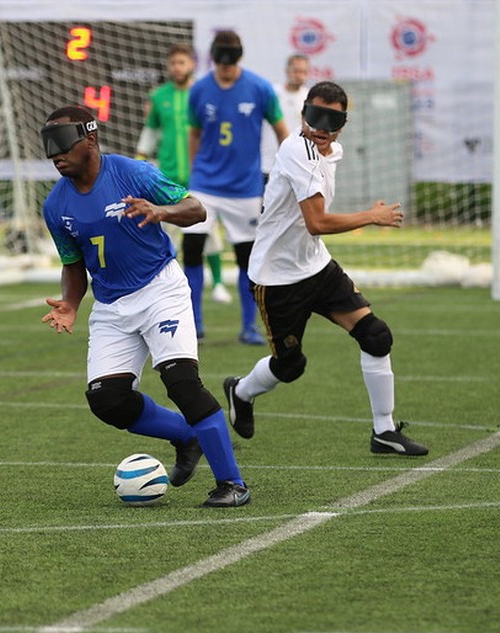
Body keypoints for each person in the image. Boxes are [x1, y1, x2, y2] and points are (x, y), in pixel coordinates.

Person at [39, 104, 251, 507]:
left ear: (90, 137)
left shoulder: (132, 173)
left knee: (182, 384)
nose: (55, 154)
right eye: (48, 145)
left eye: (62, 142)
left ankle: (232, 484)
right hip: (111, 307)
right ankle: (187, 436)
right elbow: (73, 263)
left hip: (160, 291)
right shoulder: (55, 206)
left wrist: (162, 211)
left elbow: (197, 209)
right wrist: (70, 303)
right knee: (107, 401)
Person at [222, 81, 429, 456]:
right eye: (314, 116)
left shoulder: (331, 151)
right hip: (278, 278)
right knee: (290, 366)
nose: (320, 127)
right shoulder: (296, 149)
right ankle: (241, 391)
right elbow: (316, 222)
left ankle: (383, 431)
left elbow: (312, 230)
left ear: (343, 124)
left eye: (331, 120)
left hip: (316, 267)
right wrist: (371, 215)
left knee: (376, 335)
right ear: (302, 114)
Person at [184, 30, 289, 344]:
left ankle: (248, 326)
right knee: (191, 249)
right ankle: (194, 324)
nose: (225, 68)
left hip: (245, 188)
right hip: (204, 184)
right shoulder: (200, 89)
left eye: (230, 62)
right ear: (213, 59)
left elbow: (283, 130)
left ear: (239, 58)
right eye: (220, 62)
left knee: (248, 258)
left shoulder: (260, 88)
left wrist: (289, 171)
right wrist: (193, 176)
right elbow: (194, 134)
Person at [136, 42, 232, 307]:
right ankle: (162, 283)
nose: (177, 67)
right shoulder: (159, 96)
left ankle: (219, 283)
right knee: (164, 232)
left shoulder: (203, 93)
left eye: (182, 62)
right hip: (167, 177)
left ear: (192, 65)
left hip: (200, 176)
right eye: (173, 63)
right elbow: (151, 130)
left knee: (208, 232)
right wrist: (141, 158)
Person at [260, 53, 311, 182]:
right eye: (296, 71)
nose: (299, 75)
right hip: (268, 164)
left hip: (296, 167)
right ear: (287, 71)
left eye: (303, 72)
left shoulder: (309, 98)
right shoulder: (273, 93)